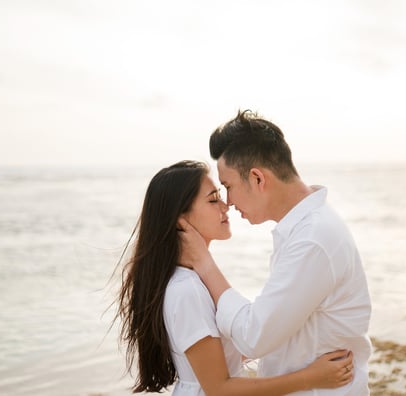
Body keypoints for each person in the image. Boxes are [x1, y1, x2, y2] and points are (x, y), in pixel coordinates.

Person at [115, 160, 355, 395]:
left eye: (221, 194)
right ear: (181, 220)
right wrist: (311, 377)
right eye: (213, 199)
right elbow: (219, 389)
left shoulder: (194, 279)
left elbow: (223, 355)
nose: (225, 205)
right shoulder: (186, 289)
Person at [178, 110, 373, 395]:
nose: (228, 202)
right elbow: (277, 330)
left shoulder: (312, 239)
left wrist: (203, 263)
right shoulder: (305, 229)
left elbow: (254, 336)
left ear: (257, 178)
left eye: (228, 187)